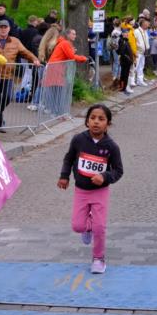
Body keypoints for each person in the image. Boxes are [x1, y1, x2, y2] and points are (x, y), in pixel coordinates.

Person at [57, 104, 124, 275]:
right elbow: (69, 158)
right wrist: (64, 176)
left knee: (100, 227)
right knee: (77, 226)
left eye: (101, 119)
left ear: (108, 124)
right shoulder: (78, 140)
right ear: (87, 121)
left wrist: (105, 176)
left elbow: (118, 170)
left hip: (100, 192)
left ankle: (98, 258)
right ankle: (87, 228)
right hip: (81, 191)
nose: (96, 122)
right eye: (93, 118)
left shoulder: (111, 146)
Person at [0, 20, 40, 130]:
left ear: (9, 29)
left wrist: (34, 59)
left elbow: (25, 52)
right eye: (1, 27)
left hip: (8, 76)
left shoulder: (15, 41)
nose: (3, 29)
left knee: (8, 97)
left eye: (5, 27)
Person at [44, 27, 87, 115]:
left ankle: (55, 112)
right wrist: (83, 58)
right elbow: (71, 57)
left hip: (54, 68)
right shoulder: (65, 43)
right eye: (73, 34)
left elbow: (68, 55)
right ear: (68, 35)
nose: (75, 36)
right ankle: (59, 113)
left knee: (56, 91)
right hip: (56, 69)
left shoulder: (63, 43)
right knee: (59, 91)